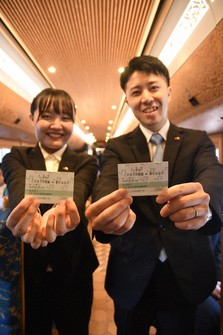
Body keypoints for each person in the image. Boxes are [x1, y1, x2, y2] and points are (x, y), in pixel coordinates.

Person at [85, 55, 223, 335]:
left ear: (169, 90)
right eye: (136, 92)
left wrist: (203, 205)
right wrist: (106, 212)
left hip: (186, 272)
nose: (146, 97)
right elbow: (106, 184)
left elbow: (212, 175)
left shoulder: (197, 141)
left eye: (154, 87)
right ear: (127, 99)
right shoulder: (116, 147)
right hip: (130, 275)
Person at [2, 88, 99, 335]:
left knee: (76, 329)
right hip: (30, 271)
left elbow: (78, 192)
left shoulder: (85, 162)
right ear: (33, 118)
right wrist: (25, 211)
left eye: (65, 118)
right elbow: (18, 185)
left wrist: (69, 213)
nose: (56, 125)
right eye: (47, 116)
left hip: (74, 268)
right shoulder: (17, 156)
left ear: (73, 123)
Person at [194, 232, 221, 335]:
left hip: (211, 287)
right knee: (210, 313)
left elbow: (218, 256)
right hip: (188, 285)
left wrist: (218, 282)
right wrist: (210, 284)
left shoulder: (217, 223)